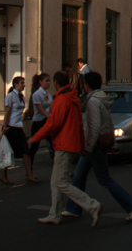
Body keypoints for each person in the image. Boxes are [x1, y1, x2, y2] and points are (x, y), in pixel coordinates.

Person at [62, 72, 132, 222]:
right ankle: (74, 208)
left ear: (87, 85)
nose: (83, 86)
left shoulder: (92, 102)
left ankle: (131, 205)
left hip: (94, 145)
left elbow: (94, 127)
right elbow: (109, 122)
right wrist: (112, 142)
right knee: (79, 176)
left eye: (84, 83)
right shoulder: (102, 98)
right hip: (97, 144)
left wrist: (88, 147)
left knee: (104, 179)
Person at [28, 71, 100, 226]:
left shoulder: (61, 100)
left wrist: (33, 138)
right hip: (70, 143)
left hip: (63, 144)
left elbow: (52, 124)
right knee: (56, 181)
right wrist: (81, 145)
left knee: (61, 182)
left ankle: (92, 205)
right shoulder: (73, 98)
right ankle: (55, 214)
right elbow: (79, 124)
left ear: (55, 82)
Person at [0, 75, 39, 186]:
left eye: (24, 82)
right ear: (15, 84)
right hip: (10, 127)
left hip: (18, 127)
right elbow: (7, 112)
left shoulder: (21, 96)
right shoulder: (10, 96)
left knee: (26, 150)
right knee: (7, 152)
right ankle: (4, 175)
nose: (23, 85)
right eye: (21, 83)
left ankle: (29, 174)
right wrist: (5, 127)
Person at [29, 73, 54, 163]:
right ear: (40, 82)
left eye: (49, 81)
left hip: (47, 121)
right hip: (38, 121)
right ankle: (29, 165)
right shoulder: (37, 94)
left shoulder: (48, 93)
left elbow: (50, 106)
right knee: (35, 145)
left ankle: (57, 164)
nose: (48, 83)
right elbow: (41, 110)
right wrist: (51, 117)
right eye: (46, 81)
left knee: (52, 141)